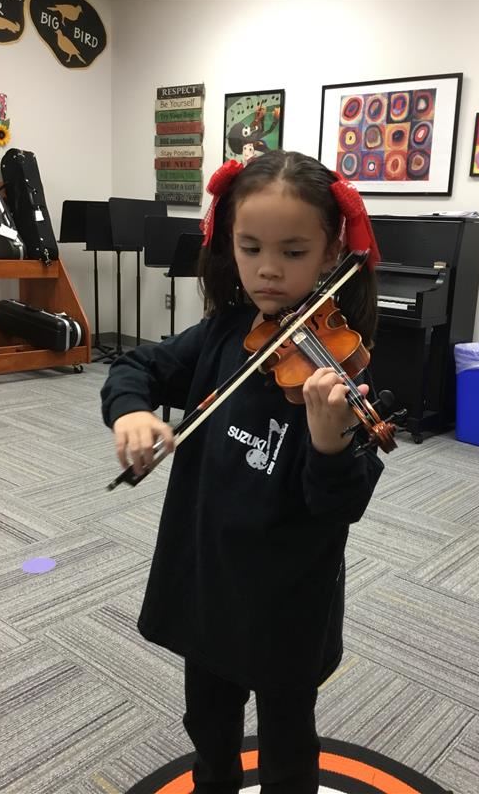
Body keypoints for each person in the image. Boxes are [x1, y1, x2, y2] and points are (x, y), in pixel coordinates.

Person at [100, 150, 385, 794]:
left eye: (292, 252)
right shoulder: (223, 334)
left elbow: (340, 506)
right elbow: (135, 368)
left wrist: (328, 443)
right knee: (208, 722)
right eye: (250, 247)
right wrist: (132, 413)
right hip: (207, 580)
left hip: (288, 600)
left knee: (286, 740)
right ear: (229, 243)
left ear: (331, 252)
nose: (267, 271)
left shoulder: (338, 373)